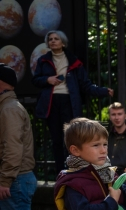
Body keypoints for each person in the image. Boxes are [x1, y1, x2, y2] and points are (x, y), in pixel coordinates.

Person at [32, 30, 113, 175]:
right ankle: (60, 173)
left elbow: (85, 85)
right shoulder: (43, 60)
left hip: (69, 102)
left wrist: (103, 91)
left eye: (56, 39)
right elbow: (35, 80)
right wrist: (47, 79)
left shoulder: (74, 61)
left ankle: (74, 171)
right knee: (56, 140)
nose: (53, 41)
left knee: (71, 139)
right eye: (50, 39)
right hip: (51, 103)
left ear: (63, 42)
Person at [0, 64, 39, 210]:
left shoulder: (9, 109)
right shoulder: (8, 107)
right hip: (14, 179)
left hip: (15, 179)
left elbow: (12, 148)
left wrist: (5, 179)